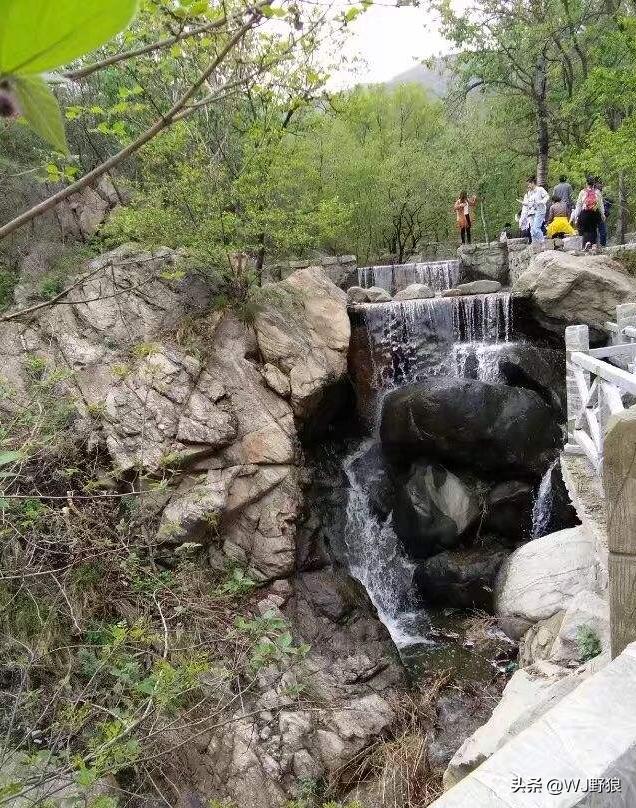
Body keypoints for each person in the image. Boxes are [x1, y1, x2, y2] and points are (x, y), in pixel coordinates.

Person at [572, 176, 605, 251]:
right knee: (593, 229)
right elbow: (600, 204)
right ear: (594, 183)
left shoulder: (582, 192)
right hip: (594, 213)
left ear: (586, 183)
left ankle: (586, 244)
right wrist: (602, 215)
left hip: (585, 213)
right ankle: (593, 245)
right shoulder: (597, 192)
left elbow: (578, 205)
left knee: (585, 229)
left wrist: (576, 216)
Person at [521, 176, 550, 244]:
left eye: (529, 184)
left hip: (540, 210)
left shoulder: (540, 189)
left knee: (536, 228)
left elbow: (547, 196)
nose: (528, 186)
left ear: (533, 183)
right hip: (532, 212)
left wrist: (542, 202)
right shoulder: (529, 193)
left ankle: (543, 243)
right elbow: (530, 203)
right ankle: (535, 245)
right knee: (532, 231)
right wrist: (526, 204)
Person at [595, 179, 613, 247]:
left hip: (601, 214)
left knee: (602, 231)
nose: (600, 186)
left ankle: (602, 245)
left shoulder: (604, 194)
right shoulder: (596, 193)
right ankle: (600, 245)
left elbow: (611, 201)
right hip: (598, 214)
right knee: (601, 231)